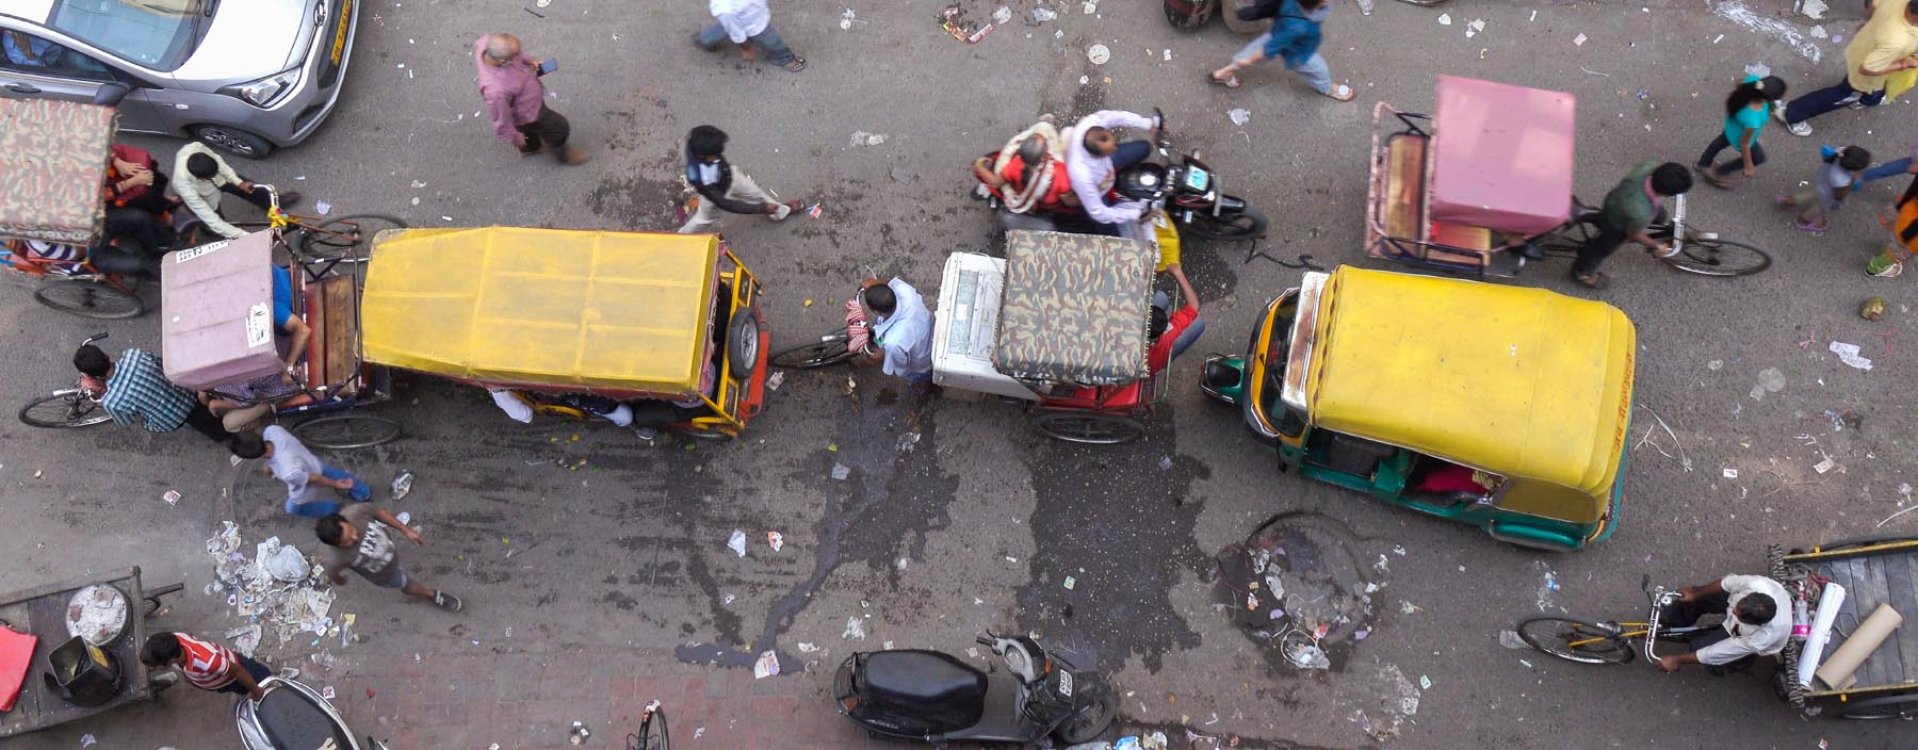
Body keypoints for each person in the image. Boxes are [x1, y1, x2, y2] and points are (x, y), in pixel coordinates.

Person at [1776, 0, 1918, 137]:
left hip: (1866, 47)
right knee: (1842, 94)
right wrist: (1902, 65)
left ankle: (1867, 99)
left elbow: (1873, 5)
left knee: (1875, 92)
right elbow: (1868, 68)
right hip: (1867, 73)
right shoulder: (1897, 40)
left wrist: (1871, 24)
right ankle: (1791, 113)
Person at [316, 505, 464, 612]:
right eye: (347, 541)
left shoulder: (356, 512)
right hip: (385, 573)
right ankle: (431, 594)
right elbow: (333, 575)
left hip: (390, 549)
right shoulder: (335, 558)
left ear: (346, 521)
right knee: (405, 583)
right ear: (336, 545)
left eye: (352, 530)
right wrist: (341, 580)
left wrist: (406, 531)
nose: (355, 537)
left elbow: (380, 514)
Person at [73, 345, 230, 444]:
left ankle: (224, 436)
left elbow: (125, 421)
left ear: (93, 377)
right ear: (106, 355)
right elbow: (163, 365)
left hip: (172, 419)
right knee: (204, 415)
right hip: (186, 393)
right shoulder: (135, 355)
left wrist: (101, 400)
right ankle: (222, 424)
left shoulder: (112, 402)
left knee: (204, 424)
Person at [1572, 162, 1691, 290]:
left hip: (1620, 199)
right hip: (1618, 219)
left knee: (1660, 215)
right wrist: (1657, 245)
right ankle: (1581, 272)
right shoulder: (1640, 213)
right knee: (1601, 249)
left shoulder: (1648, 167)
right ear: (1667, 194)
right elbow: (1634, 235)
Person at [473, 33, 588, 165]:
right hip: (529, 112)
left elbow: (519, 55)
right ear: (502, 62)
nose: (519, 55)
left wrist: (529, 60)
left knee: (528, 132)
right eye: (516, 55)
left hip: (525, 103)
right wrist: (516, 138)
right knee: (559, 128)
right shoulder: (496, 90)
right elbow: (501, 120)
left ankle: (531, 147)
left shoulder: (486, 43)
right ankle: (564, 155)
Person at [1207, 0, 1355, 102]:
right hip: (1299, 53)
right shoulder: (1298, 27)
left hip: (1279, 30)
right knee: (1320, 70)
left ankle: (1222, 73)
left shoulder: (1293, 5)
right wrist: (1251, 60)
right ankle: (1327, 88)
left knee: (1252, 51)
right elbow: (1269, 49)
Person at [677, 125, 804, 234]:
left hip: (729, 177)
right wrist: (762, 208)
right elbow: (725, 204)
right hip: (715, 195)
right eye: (714, 156)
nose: (718, 158)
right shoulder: (699, 177)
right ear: (702, 156)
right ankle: (681, 237)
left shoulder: (697, 141)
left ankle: (780, 211)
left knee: (757, 194)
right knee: (705, 219)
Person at [1654, 574, 1792, 673]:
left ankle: (1739, 663)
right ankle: (1673, 620)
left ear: (1756, 623)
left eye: (1738, 615)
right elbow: (1725, 584)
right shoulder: (1755, 584)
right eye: (1737, 606)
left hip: (1746, 639)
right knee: (1697, 598)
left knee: (1700, 650)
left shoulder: (1764, 636)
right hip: (1750, 612)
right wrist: (1695, 594)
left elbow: (1715, 653)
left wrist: (1677, 660)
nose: (1732, 610)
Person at [229, 426, 372, 517]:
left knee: (292, 508)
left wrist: (335, 484)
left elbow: (314, 479)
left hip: (304, 479)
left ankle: (336, 509)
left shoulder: (288, 471)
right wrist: (270, 464)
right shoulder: (272, 431)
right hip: (308, 460)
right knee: (330, 471)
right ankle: (363, 492)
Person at [172, 142, 301, 240]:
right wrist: (245, 237)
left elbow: (219, 163)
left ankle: (275, 203)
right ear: (199, 178)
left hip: (221, 178)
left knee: (251, 188)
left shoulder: (195, 147)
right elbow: (207, 214)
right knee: (215, 219)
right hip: (205, 195)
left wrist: (238, 182)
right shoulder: (183, 184)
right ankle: (214, 232)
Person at [1065, 110, 1161, 236]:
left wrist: (1148, 125)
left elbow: (1117, 117)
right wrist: (1136, 214)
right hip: (1098, 191)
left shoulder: (1092, 122)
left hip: (1108, 169)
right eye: (1110, 151)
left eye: (1114, 145)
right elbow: (1098, 212)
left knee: (1144, 147)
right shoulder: (1082, 175)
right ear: (1095, 156)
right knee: (1112, 234)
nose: (1116, 149)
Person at [972, 117, 1081, 227]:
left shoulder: (1015, 164)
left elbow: (995, 182)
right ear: (1044, 157)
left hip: (1024, 202)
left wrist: (979, 166)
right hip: (1047, 208)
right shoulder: (1059, 173)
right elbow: (1069, 202)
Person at [1694, 75, 1787, 188]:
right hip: (1740, 136)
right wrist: (1749, 166)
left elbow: (1739, 82)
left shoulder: (1752, 81)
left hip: (1731, 127)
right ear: (1767, 99)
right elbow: (1745, 144)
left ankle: (1703, 163)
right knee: (1758, 158)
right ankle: (1720, 171)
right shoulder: (1753, 119)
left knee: (1718, 144)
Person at [140, 631, 268, 700]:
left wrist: (256, 691)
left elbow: (238, 672)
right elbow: (190, 635)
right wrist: (188, 675)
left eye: (156, 666)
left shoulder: (209, 662)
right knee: (241, 689)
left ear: (171, 660)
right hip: (219, 681)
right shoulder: (174, 640)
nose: (154, 669)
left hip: (236, 674)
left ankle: (263, 689)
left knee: (263, 681)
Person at [859, 277, 935, 392]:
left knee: (918, 379)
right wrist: (876, 282)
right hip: (929, 332)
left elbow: (900, 363)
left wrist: (877, 356)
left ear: (876, 312)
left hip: (922, 363)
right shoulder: (906, 292)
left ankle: (923, 387)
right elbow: (891, 282)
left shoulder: (893, 342)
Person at [1777, 145, 1872, 232]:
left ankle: (1788, 201)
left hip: (1821, 182)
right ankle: (1803, 220)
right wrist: (1854, 179)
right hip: (1827, 195)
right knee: (1818, 208)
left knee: (1808, 195)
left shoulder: (1840, 153)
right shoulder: (1843, 179)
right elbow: (1838, 196)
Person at [696, 0, 805, 72]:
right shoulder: (725, 7)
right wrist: (746, 48)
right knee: (772, 42)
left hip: (747, 18)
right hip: (754, 25)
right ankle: (783, 58)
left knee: (723, 28)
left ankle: (705, 39)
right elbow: (736, 32)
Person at [1147, 264, 1206, 375]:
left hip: (1145, 358)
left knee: (1160, 297)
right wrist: (1178, 273)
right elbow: (1194, 306)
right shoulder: (1168, 337)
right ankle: (1166, 361)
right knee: (1199, 324)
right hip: (1153, 363)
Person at [1868, 165, 1918, 276]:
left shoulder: (1911, 202)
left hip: (1901, 220)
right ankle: (1874, 267)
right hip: (1906, 239)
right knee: (1893, 254)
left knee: (1893, 245)